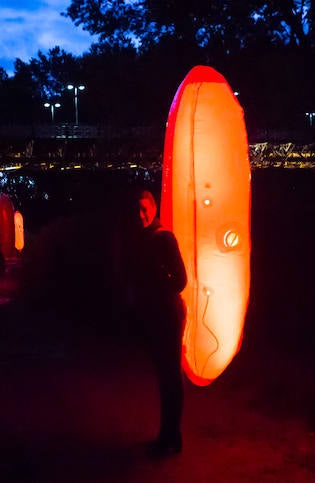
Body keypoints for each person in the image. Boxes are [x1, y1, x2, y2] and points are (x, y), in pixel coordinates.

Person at [126, 189, 187, 455]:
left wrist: (157, 284)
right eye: (136, 210)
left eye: (144, 209)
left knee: (170, 374)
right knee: (165, 374)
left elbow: (181, 280)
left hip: (168, 313)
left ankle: (172, 434)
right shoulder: (142, 239)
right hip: (156, 313)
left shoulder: (163, 238)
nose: (141, 215)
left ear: (153, 208)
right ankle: (168, 433)